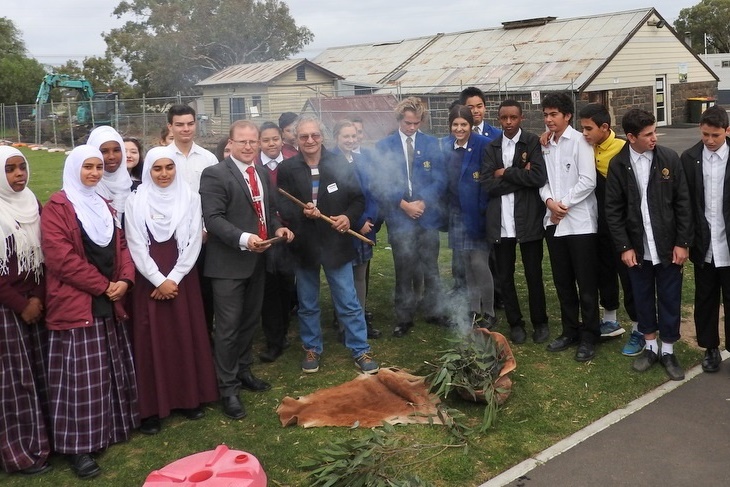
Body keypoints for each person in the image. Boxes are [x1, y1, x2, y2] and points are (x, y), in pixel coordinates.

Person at [41, 145, 138, 479]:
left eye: (98, 167)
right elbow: (60, 258)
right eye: (88, 167)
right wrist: (102, 286)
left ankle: (105, 432)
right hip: (76, 304)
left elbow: (121, 245)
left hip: (107, 301)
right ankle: (77, 447)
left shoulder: (102, 203)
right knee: (77, 379)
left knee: (105, 372)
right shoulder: (57, 208)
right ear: (73, 169)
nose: (95, 173)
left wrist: (125, 279)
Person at [200, 120, 294, 420]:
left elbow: (268, 212)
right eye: (242, 142)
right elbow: (213, 219)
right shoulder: (215, 174)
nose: (248, 146)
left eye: (252, 141)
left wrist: (280, 229)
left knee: (249, 322)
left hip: (258, 260)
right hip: (228, 263)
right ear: (231, 142)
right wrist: (243, 238)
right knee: (227, 328)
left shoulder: (263, 173)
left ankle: (243, 371)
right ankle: (226, 388)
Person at [125, 146, 219, 435]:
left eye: (169, 167)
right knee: (151, 339)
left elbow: (193, 241)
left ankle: (188, 398)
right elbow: (135, 244)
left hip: (181, 277)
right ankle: (152, 408)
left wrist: (174, 279)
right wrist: (157, 279)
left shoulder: (190, 198)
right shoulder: (135, 200)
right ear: (148, 170)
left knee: (183, 333)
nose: (164, 174)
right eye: (157, 168)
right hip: (149, 279)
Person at [277, 115, 379, 374]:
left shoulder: (338, 163)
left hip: (336, 244)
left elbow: (357, 199)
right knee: (308, 302)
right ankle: (312, 347)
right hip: (305, 245)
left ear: (322, 136)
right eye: (303, 136)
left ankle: (360, 348)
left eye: (314, 135)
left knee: (348, 301)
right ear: (296, 139)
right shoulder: (288, 168)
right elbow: (283, 204)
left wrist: (347, 217)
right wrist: (301, 213)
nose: (310, 141)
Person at [606, 108, 693, 380]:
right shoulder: (618, 164)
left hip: (667, 247)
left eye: (654, 132)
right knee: (642, 297)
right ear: (631, 137)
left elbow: (683, 203)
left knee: (669, 297)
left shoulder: (669, 158)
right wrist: (624, 247)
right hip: (637, 249)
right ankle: (651, 346)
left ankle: (668, 350)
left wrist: (682, 243)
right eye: (648, 134)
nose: (654, 138)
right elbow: (613, 209)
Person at [374, 97, 448, 337]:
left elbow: (440, 179)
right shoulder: (384, 146)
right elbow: (381, 181)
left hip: (426, 216)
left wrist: (423, 201)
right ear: (399, 119)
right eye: (407, 123)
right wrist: (404, 205)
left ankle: (434, 311)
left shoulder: (431, 144)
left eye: (416, 123)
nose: (412, 127)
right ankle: (404, 317)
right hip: (400, 217)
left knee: (431, 266)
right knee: (403, 268)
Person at [0, 147, 51, 476]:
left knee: (39, 374)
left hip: (36, 303)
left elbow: (46, 256)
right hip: (7, 310)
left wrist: (37, 297)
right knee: (14, 383)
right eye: (10, 170)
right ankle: (18, 452)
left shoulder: (33, 203)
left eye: (22, 167)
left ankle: (43, 441)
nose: (19, 174)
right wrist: (22, 304)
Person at [539, 93, 600, 362]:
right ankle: (569, 331)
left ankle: (589, 336)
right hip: (553, 223)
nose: (549, 119)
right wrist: (550, 202)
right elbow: (542, 179)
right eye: (546, 115)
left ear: (567, 116)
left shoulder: (580, 142)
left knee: (586, 283)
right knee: (563, 282)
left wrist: (562, 205)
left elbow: (588, 180)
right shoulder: (545, 144)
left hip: (580, 224)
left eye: (554, 114)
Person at [482, 99, 549, 344]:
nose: (508, 123)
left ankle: (540, 322)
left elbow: (539, 177)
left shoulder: (532, 142)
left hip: (528, 220)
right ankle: (515, 323)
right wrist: (522, 173)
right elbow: (488, 184)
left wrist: (506, 172)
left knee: (533, 274)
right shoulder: (492, 147)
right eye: (504, 118)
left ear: (521, 118)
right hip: (501, 223)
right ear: (498, 119)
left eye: (513, 118)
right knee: (505, 276)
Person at [577, 104, 640, 352]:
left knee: (629, 276)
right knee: (604, 273)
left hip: (623, 227)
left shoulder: (625, 149)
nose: (584, 133)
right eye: (582, 128)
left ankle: (639, 327)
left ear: (605, 127)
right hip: (597, 224)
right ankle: (611, 320)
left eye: (588, 128)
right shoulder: (584, 146)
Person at [438, 106, 496, 330]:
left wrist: (482, 213)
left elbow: (487, 181)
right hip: (456, 213)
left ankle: (489, 312)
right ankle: (474, 309)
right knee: (466, 265)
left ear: (471, 125)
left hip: (477, 213)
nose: (459, 128)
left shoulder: (482, 144)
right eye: (455, 124)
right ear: (450, 126)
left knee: (479, 263)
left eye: (464, 124)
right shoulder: (445, 146)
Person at [681, 105, 729, 374]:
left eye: (716, 135)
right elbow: (685, 204)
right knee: (706, 298)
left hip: (728, 242)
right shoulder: (690, 158)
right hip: (704, 244)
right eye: (705, 135)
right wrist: (686, 241)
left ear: (727, 131)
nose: (710, 141)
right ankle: (710, 348)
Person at [167, 104, 219, 331]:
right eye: (179, 124)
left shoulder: (208, 159)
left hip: (203, 235)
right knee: (178, 286)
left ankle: (206, 335)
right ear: (170, 126)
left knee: (205, 289)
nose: (185, 129)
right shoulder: (162, 158)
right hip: (170, 236)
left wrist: (207, 229)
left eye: (190, 123)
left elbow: (215, 198)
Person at [331, 119, 383, 339]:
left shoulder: (362, 160)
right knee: (344, 281)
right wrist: (358, 220)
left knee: (360, 277)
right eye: (346, 137)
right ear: (336, 138)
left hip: (365, 229)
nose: (351, 140)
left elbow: (372, 192)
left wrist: (369, 218)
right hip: (344, 230)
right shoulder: (330, 162)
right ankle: (344, 326)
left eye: (354, 136)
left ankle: (359, 322)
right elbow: (336, 198)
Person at [255, 122, 298, 362]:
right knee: (268, 287)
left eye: (275, 139)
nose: (271, 144)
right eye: (266, 140)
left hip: (290, 233)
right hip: (264, 235)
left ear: (282, 139)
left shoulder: (292, 159)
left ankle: (284, 327)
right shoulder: (254, 165)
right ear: (260, 142)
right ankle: (274, 339)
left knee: (286, 284)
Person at [459, 87, 503, 307]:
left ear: (485, 108)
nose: (475, 111)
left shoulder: (496, 135)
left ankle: (497, 297)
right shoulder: (457, 134)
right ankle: (476, 302)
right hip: (468, 208)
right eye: (470, 107)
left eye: (479, 106)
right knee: (471, 261)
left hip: (490, 204)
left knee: (493, 257)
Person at [87, 125, 132, 225]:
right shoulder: (85, 191)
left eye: (116, 150)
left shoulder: (133, 189)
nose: (111, 156)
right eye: (104, 151)